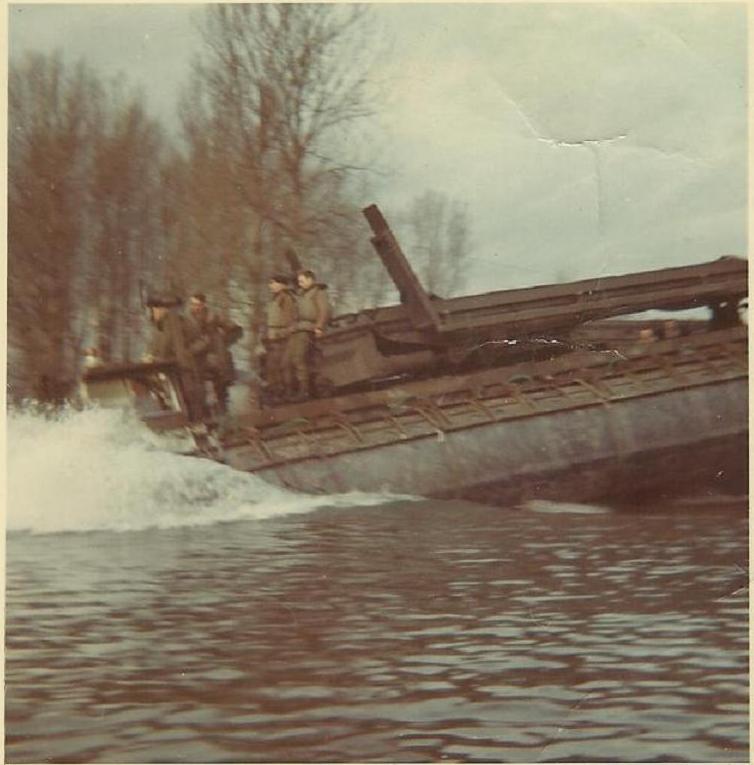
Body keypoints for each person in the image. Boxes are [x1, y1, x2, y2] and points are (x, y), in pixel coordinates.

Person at [143, 292, 205, 423]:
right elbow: (157, 346)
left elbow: (171, 344)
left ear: (160, 309)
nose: (152, 314)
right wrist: (150, 355)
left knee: (188, 400)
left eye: (153, 310)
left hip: (184, 370)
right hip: (178, 369)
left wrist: (186, 355)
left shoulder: (173, 321)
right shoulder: (162, 326)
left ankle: (194, 425)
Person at [187, 293, 243, 415]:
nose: (195, 307)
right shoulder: (187, 320)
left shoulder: (213, 317)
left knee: (221, 389)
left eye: (197, 304)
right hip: (198, 358)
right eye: (192, 304)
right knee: (200, 390)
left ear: (203, 304)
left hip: (217, 357)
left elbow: (236, 329)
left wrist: (223, 342)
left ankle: (223, 414)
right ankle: (206, 415)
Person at [285, 269, 331, 401]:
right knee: (289, 360)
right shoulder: (301, 294)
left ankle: (304, 391)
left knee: (299, 358)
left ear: (310, 280)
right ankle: (292, 390)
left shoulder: (318, 292)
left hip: (308, 329)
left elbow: (324, 310)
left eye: (302, 281)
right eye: (299, 282)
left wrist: (319, 327)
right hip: (298, 329)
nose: (300, 284)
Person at [264, 274, 297, 404]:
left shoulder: (286, 298)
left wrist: (283, 333)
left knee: (284, 366)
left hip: (282, 338)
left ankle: (287, 393)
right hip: (273, 337)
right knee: (273, 367)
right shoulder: (275, 298)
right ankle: (277, 393)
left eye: (273, 283)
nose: (270, 286)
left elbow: (291, 320)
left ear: (282, 284)